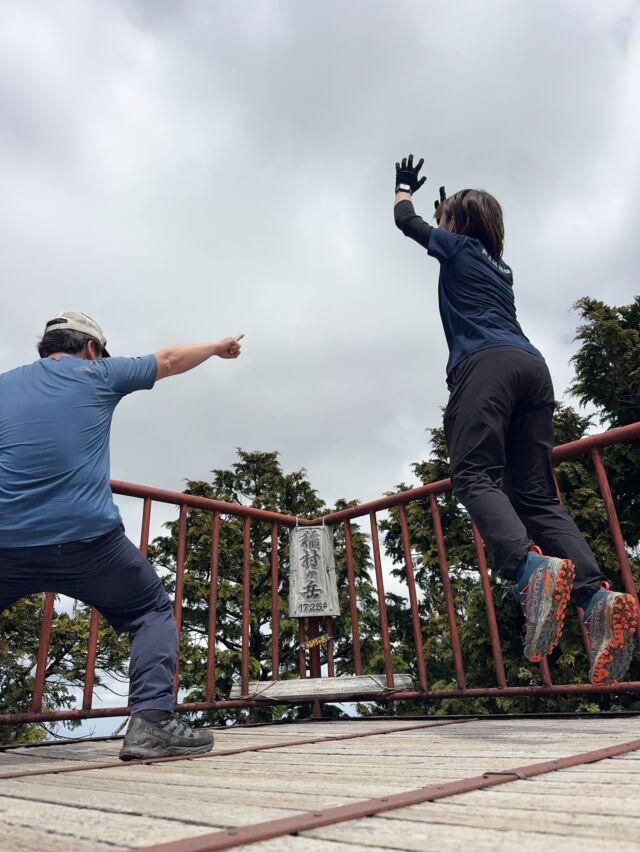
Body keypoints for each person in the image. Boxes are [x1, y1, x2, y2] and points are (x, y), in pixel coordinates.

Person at [393, 156, 639, 684]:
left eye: (450, 220)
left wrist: (402, 191)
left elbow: (405, 223)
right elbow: (449, 233)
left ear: (458, 227)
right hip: (534, 370)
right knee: (536, 496)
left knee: (472, 476)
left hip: (486, 367)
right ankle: (595, 598)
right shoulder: (499, 267)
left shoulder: (454, 247)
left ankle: (528, 571)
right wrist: (450, 217)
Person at [0, 311, 244, 759]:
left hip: (6, 542)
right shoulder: (98, 373)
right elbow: (168, 359)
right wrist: (217, 346)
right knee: (150, 610)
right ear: (92, 349)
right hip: (89, 542)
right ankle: (151, 723)